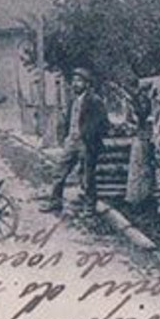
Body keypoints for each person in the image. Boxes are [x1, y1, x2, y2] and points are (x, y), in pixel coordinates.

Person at [40, 68, 108, 214]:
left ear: (87, 84)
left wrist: (88, 135)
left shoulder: (95, 101)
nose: (75, 84)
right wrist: (66, 137)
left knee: (86, 176)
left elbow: (103, 123)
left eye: (79, 81)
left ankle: (90, 207)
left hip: (86, 143)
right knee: (60, 171)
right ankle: (55, 202)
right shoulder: (73, 101)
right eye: (74, 81)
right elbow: (69, 119)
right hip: (71, 141)